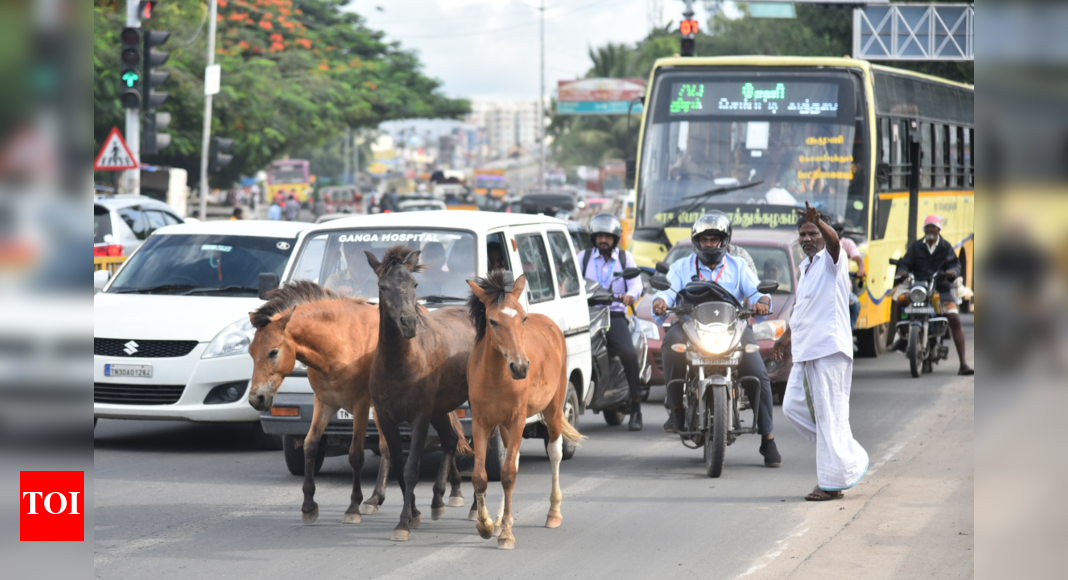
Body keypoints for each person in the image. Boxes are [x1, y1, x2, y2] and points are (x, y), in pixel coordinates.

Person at [652, 211, 781, 466]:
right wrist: (659, 302)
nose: (709, 244)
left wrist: (763, 302)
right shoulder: (682, 267)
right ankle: (676, 407)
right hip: (690, 327)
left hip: (734, 328)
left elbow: (757, 294)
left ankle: (768, 438)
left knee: (758, 373)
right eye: (704, 240)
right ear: (696, 242)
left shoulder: (738, 266)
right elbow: (666, 293)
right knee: (669, 344)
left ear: (725, 241)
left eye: (715, 239)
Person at [773, 203, 868, 500]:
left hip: (829, 349)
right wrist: (787, 336)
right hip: (806, 350)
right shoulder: (807, 267)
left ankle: (831, 483)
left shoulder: (831, 259)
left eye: (812, 232)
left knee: (828, 417)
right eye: (802, 233)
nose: (806, 238)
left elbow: (836, 243)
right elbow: (803, 308)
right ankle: (845, 452)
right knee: (793, 407)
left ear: (824, 234)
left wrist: (821, 225)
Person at [576, 213, 645, 431]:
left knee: (628, 353)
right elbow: (570, 279)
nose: (603, 240)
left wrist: (630, 295)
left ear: (615, 238)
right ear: (593, 237)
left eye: (607, 236)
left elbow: (636, 284)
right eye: (599, 236)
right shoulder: (583, 257)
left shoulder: (625, 259)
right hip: (587, 314)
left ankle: (635, 406)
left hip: (613, 315)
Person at [891, 215, 974, 375]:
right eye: (927, 227)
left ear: (938, 230)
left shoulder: (945, 247)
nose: (930, 230)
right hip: (918, 289)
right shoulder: (916, 247)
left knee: (954, 318)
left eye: (933, 227)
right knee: (900, 301)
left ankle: (963, 363)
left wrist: (952, 272)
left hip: (940, 291)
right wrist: (902, 273)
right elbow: (905, 264)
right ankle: (902, 338)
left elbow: (956, 265)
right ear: (924, 230)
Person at [830, 216, 866, 329]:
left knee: (855, 304)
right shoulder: (824, 245)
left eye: (838, 231)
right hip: (828, 285)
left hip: (843, 287)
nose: (835, 233)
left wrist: (861, 268)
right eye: (833, 230)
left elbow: (857, 257)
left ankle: (849, 332)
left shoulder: (847, 244)